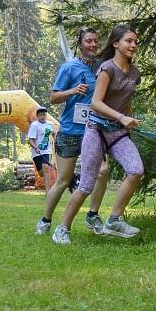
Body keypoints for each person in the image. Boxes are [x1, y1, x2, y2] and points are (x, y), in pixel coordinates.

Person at [52, 24, 144, 245]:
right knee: (86, 185)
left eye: (135, 42)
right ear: (115, 44)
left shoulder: (134, 73)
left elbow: (125, 99)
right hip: (96, 131)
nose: (133, 45)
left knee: (135, 169)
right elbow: (95, 104)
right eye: (128, 41)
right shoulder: (106, 69)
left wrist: (127, 118)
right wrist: (121, 117)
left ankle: (114, 219)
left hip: (118, 133)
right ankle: (62, 228)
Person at [35, 27, 110, 236]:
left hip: (93, 130)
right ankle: (45, 220)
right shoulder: (69, 68)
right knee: (63, 181)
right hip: (69, 132)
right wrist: (73, 91)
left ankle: (92, 216)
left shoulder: (101, 68)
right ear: (80, 44)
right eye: (88, 41)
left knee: (103, 171)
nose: (93, 45)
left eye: (96, 41)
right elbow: (53, 98)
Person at [27, 107, 55, 207]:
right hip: (37, 152)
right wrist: (36, 147)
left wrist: (57, 142)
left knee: (46, 168)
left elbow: (54, 134)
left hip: (47, 151)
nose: (42, 117)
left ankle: (48, 193)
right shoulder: (34, 125)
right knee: (41, 173)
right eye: (40, 115)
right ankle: (47, 188)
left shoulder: (50, 124)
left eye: (44, 115)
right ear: (37, 116)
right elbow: (30, 140)